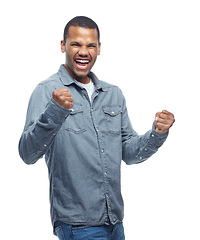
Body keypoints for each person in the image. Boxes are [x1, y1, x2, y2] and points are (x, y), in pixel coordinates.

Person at [18, 16, 175, 240]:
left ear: (99, 48)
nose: (84, 51)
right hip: (77, 226)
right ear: (63, 45)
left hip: (115, 223)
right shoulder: (46, 90)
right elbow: (27, 154)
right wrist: (55, 110)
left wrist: (157, 134)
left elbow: (129, 153)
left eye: (90, 45)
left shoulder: (114, 94)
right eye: (76, 44)